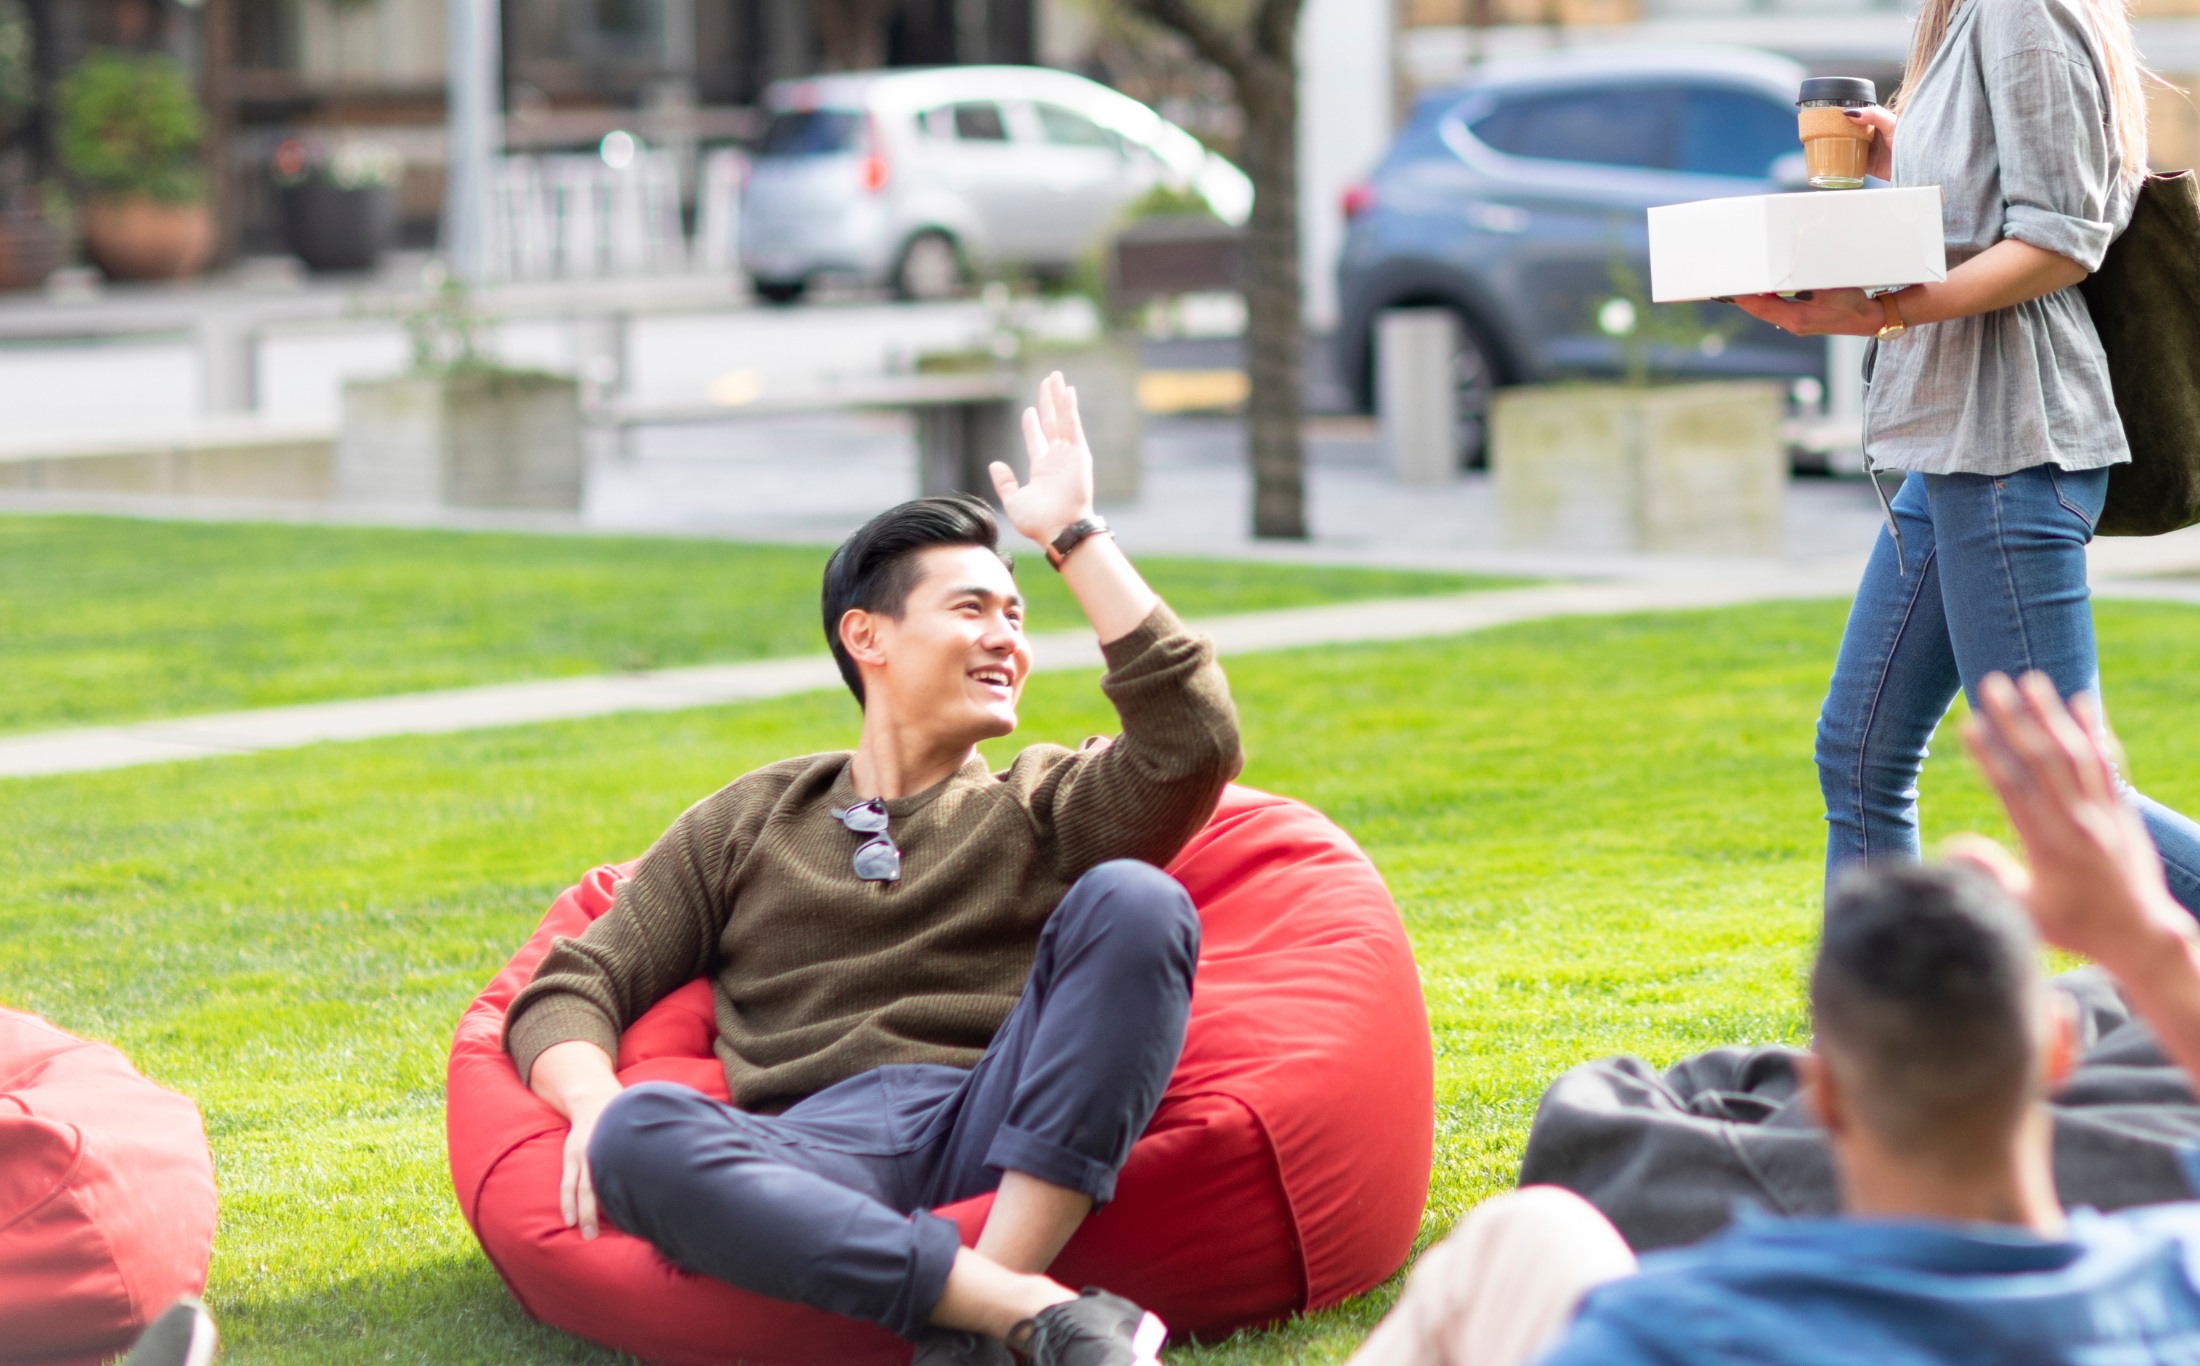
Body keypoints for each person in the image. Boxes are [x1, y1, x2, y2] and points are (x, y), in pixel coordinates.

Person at [501, 373, 1241, 1366]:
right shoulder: (750, 820)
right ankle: (1021, 1315)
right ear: (867, 636)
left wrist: (1072, 536)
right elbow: (572, 984)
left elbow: (1194, 741)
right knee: (638, 1134)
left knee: (1139, 900)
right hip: (814, 1148)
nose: (1009, 640)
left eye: (1019, 616)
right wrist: (593, 1110)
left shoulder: (1046, 800)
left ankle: (988, 1312)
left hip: (992, 1113)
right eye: (973, 608)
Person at [1347, 672, 2200, 1366]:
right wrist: (2151, 944)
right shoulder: (2173, 1288)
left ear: (1822, 1093)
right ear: (2059, 1050)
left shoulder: (1677, 1331)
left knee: (1529, 1231)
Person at [1728, 0, 2200, 912]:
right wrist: (1903, 152)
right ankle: (1875, 1004)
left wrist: (1883, 311)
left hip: (2010, 438)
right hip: (1955, 445)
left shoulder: (2023, 10)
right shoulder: (1967, 15)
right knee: (1859, 754)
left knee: (2070, 796)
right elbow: (1997, 200)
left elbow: (2061, 240)